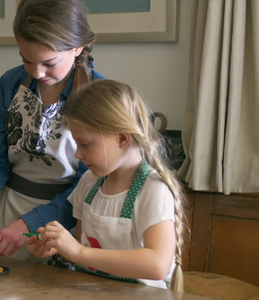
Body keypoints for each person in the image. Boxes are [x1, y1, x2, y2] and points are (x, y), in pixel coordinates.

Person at [0, 0, 105, 262]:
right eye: (26, 60)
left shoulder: (99, 95)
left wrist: (30, 223)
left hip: (64, 222)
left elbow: (89, 185)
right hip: (7, 214)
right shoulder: (11, 84)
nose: (37, 72)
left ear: (77, 47)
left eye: (49, 62)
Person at [26, 79, 187, 291]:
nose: (77, 154)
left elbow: (157, 265)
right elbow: (86, 250)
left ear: (122, 138)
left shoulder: (153, 189)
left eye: (85, 144)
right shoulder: (89, 183)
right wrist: (59, 247)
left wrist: (78, 252)